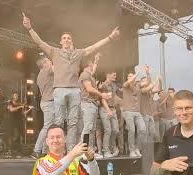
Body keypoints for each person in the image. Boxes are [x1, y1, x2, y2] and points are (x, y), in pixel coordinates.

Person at [22, 12, 120, 151]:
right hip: (59, 90)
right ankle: (57, 151)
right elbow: (39, 42)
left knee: (73, 122)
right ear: (61, 42)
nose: (66, 40)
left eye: (69, 38)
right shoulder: (54, 52)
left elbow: (93, 47)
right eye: (64, 38)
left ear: (71, 41)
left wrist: (110, 38)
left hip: (74, 90)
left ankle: (71, 151)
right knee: (59, 122)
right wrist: (29, 28)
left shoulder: (78, 53)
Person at [32, 124, 100, 175]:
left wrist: (91, 160)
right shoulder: (41, 163)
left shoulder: (74, 162)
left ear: (65, 139)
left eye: (58, 137)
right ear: (47, 141)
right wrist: (72, 154)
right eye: (52, 137)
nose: (55, 140)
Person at [79, 53, 111, 151]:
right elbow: (89, 88)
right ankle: (83, 151)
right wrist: (102, 95)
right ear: (88, 63)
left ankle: (90, 151)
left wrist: (96, 61)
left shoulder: (89, 75)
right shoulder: (84, 75)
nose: (93, 64)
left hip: (92, 104)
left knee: (91, 129)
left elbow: (93, 71)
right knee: (88, 128)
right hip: (87, 104)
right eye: (92, 62)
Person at [31, 57, 55, 159]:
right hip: (49, 102)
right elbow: (58, 66)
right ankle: (36, 150)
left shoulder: (39, 75)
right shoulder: (47, 70)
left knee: (49, 128)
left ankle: (44, 152)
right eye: (49, 60)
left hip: (46, 102)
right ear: (45, 63)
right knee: (47, 127)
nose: (51, 61)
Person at [122, 68, 147, 157]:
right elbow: (129, 81)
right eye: (128, 76)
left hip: (137, 112)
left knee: (143, 129)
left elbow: (147, 83)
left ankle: (137, 148)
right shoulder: (125, 85)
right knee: (131, 130)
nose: (130, 78)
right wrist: (136, 74)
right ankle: (131, 150)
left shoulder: (137, 86)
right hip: (128, 112)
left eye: (131, 76)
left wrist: (147, 73)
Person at [99, 70, 120, 157]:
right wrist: (108, 110)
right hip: (105, 109)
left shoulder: (114, 85)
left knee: (115, 130)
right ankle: (106, 150)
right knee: (108, 130)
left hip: (113, 109)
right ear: (108, 75)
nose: (115, 76)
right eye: (113, 75)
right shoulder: (103, 85)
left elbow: (114, 96)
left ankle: (112, 147)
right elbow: (103, 99)